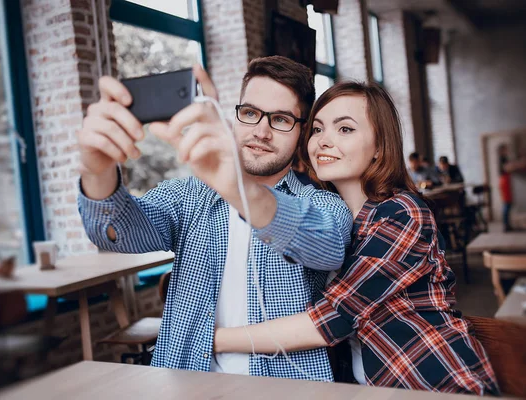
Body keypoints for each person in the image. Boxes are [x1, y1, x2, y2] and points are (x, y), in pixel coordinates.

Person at [213, 81, 500, 395]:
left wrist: (210, 338)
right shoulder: (324, 221)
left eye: (345, 129)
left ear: (379, 146)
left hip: (435, 384)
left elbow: (329, 321)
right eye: (318, 130)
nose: (323, 141)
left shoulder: (403, 213)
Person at [76, 56, 353, 380]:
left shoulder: (322, 204)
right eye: (250, 114)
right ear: (235, 117)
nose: (261, 131)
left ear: (302, 131)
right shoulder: (189, 196)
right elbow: (117, 231)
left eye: (280, 119)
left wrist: (238, 187)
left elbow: (328, 245)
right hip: (187, 382)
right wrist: (97, 173)